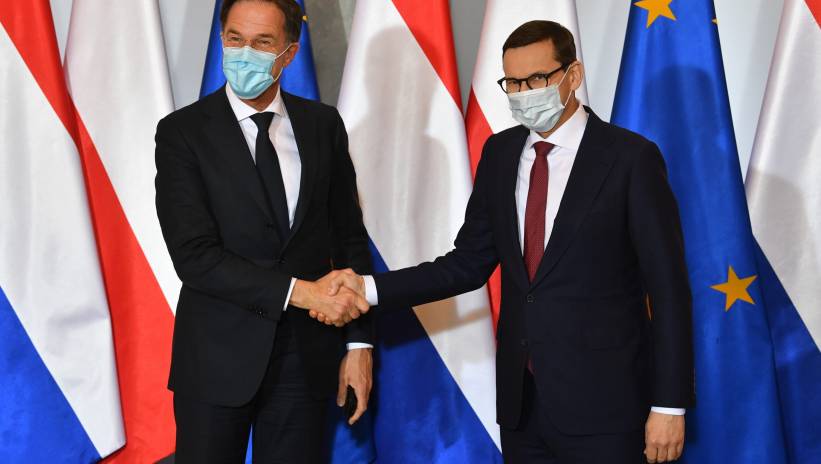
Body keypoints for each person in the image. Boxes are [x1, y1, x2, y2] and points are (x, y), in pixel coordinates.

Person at [325, 20, 694, 464]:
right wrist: (366, 288)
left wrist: (669, 404)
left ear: (573, 75)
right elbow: (466, 264)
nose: (524, 93)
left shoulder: (631, 158)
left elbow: (669, 290)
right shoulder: (500, 154)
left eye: (537, 79)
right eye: (513, 83)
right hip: (523, 408)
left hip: (607, 407)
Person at [154, 1, 373, 462]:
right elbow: (194, 256)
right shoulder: (181, 133)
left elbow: (349, 238)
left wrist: (358, 342)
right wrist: (303, 293)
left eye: (262, 42)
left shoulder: (323, 125)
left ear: (289, 53)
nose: (244, 53)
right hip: (216, 358)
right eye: (235, 39)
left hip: (305, 359)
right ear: (222, 38)